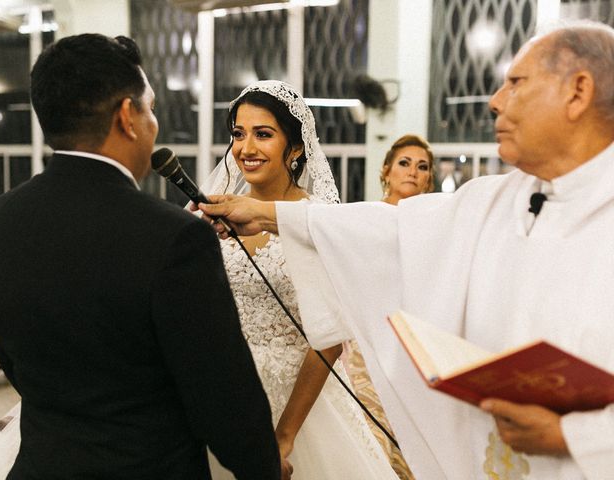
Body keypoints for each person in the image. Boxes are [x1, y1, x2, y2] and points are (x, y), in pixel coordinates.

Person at [196, 20, 614, 479]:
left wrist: (576, 437)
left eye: (515, 83)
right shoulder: (500, 197)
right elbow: (395, 232)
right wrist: (269, 215)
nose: (495, 100)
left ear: (577, 92)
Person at [0, 34, 287, 480]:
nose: (154, 123)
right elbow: (222, 397)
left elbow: (14, 361)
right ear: (128, 117)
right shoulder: (173, 238)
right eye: (151, 108)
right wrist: (264, 468)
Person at [201, 80, 399, 480]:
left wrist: (285, 435)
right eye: (238, 134)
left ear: (294, 149)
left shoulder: (315, 220)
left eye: (263, 135)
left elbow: (328, 340)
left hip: (302, 405)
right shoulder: (213, 215)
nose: (246, 148)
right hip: (228, 398)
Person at [343, 133, 437, 480]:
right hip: (368, 341)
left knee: (412, 438)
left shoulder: (433, 226)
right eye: (404, 163)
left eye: (422, 166)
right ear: (386, 171)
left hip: (414, 344)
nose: (413, 171)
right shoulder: (362, 219)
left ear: (429, 179)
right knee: (371, 433)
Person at [380, 134, 435, 204]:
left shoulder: (437, 214)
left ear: (428, 180)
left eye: (422, 167)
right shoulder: (366, 212)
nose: (412, 173)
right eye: (404, 163)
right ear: (387, 173)